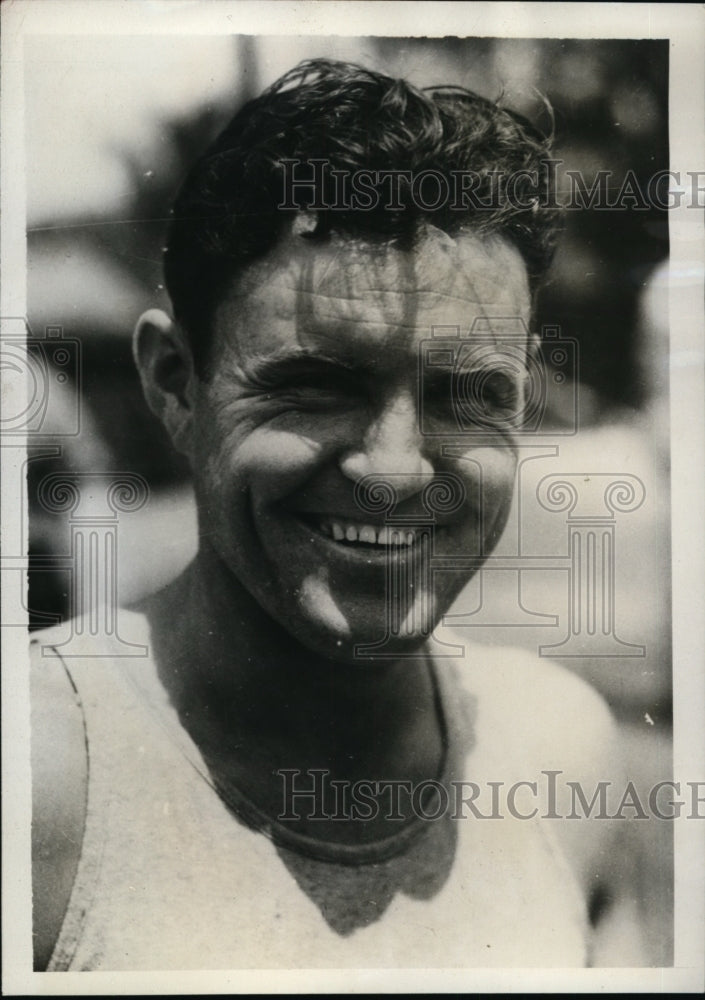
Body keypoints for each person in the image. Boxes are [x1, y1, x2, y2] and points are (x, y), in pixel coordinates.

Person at [30, 59, 647, 971]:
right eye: (314, 385)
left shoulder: (560, 757)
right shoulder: (43, 776)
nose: (394, 470)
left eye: (469, 394)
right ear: (175, 384)